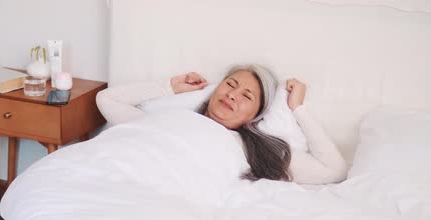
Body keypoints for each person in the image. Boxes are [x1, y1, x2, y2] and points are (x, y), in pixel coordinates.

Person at [96, 64, 348, 184]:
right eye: (230, 84)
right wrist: (170, 86)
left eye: (247, 96)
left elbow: (334, 170)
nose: (232, 95)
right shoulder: (172, 119)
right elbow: (107, 99)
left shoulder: (248, 148)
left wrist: (298, 108)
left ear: (254, 116)